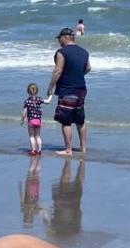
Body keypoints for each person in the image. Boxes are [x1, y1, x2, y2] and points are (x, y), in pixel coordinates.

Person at [45, 27, 90, 157]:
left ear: (65, 37)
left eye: (59, 38)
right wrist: (77, 75)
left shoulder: (61, 52)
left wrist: (50, 87)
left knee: (66, 120)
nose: (59, 41)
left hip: (67, 88)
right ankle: (83, 148)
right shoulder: (84, 52)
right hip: (81, 88)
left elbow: (58, 71)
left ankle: (68, 149)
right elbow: (88, 68)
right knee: (80, 120)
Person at [20, 82, 44, 155]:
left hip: (31, 121)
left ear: (28, 91)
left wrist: (22, 120)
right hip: (38, 121)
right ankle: (39, 150)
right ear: (37, 91)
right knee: (38, 136)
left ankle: (33, 150)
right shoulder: (39, 99)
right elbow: (47, 101)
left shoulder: (27, 101)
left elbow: (24, 112)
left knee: (31, 136)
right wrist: (50, 96)